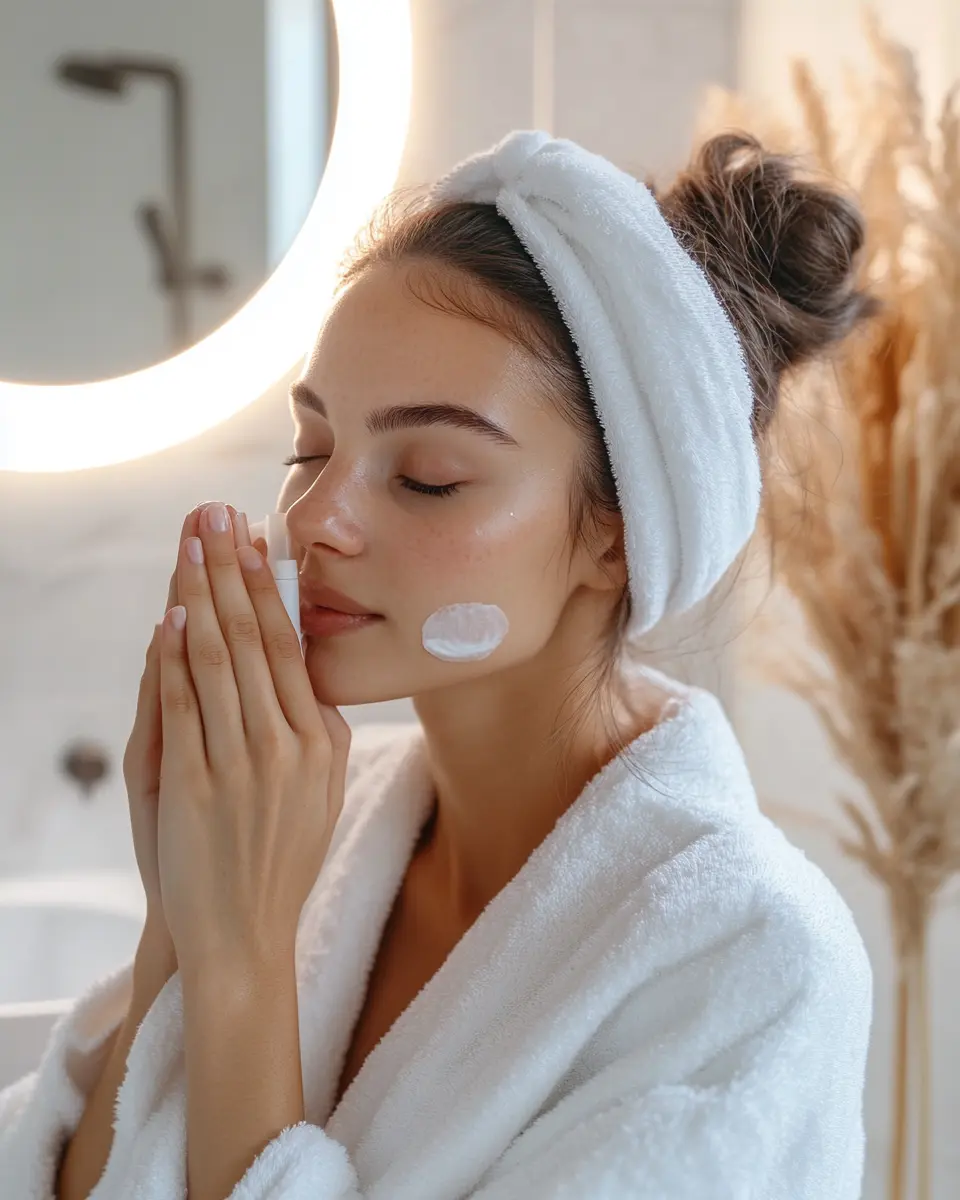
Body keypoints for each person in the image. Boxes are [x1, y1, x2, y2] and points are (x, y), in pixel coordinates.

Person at [1, 129, 876, 1199]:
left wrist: (239, 968)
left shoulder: (750, 964)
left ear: (616, 535)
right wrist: (187, 919)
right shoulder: (313, 826)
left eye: (428, 476)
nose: (316, 518)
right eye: (309, 451)